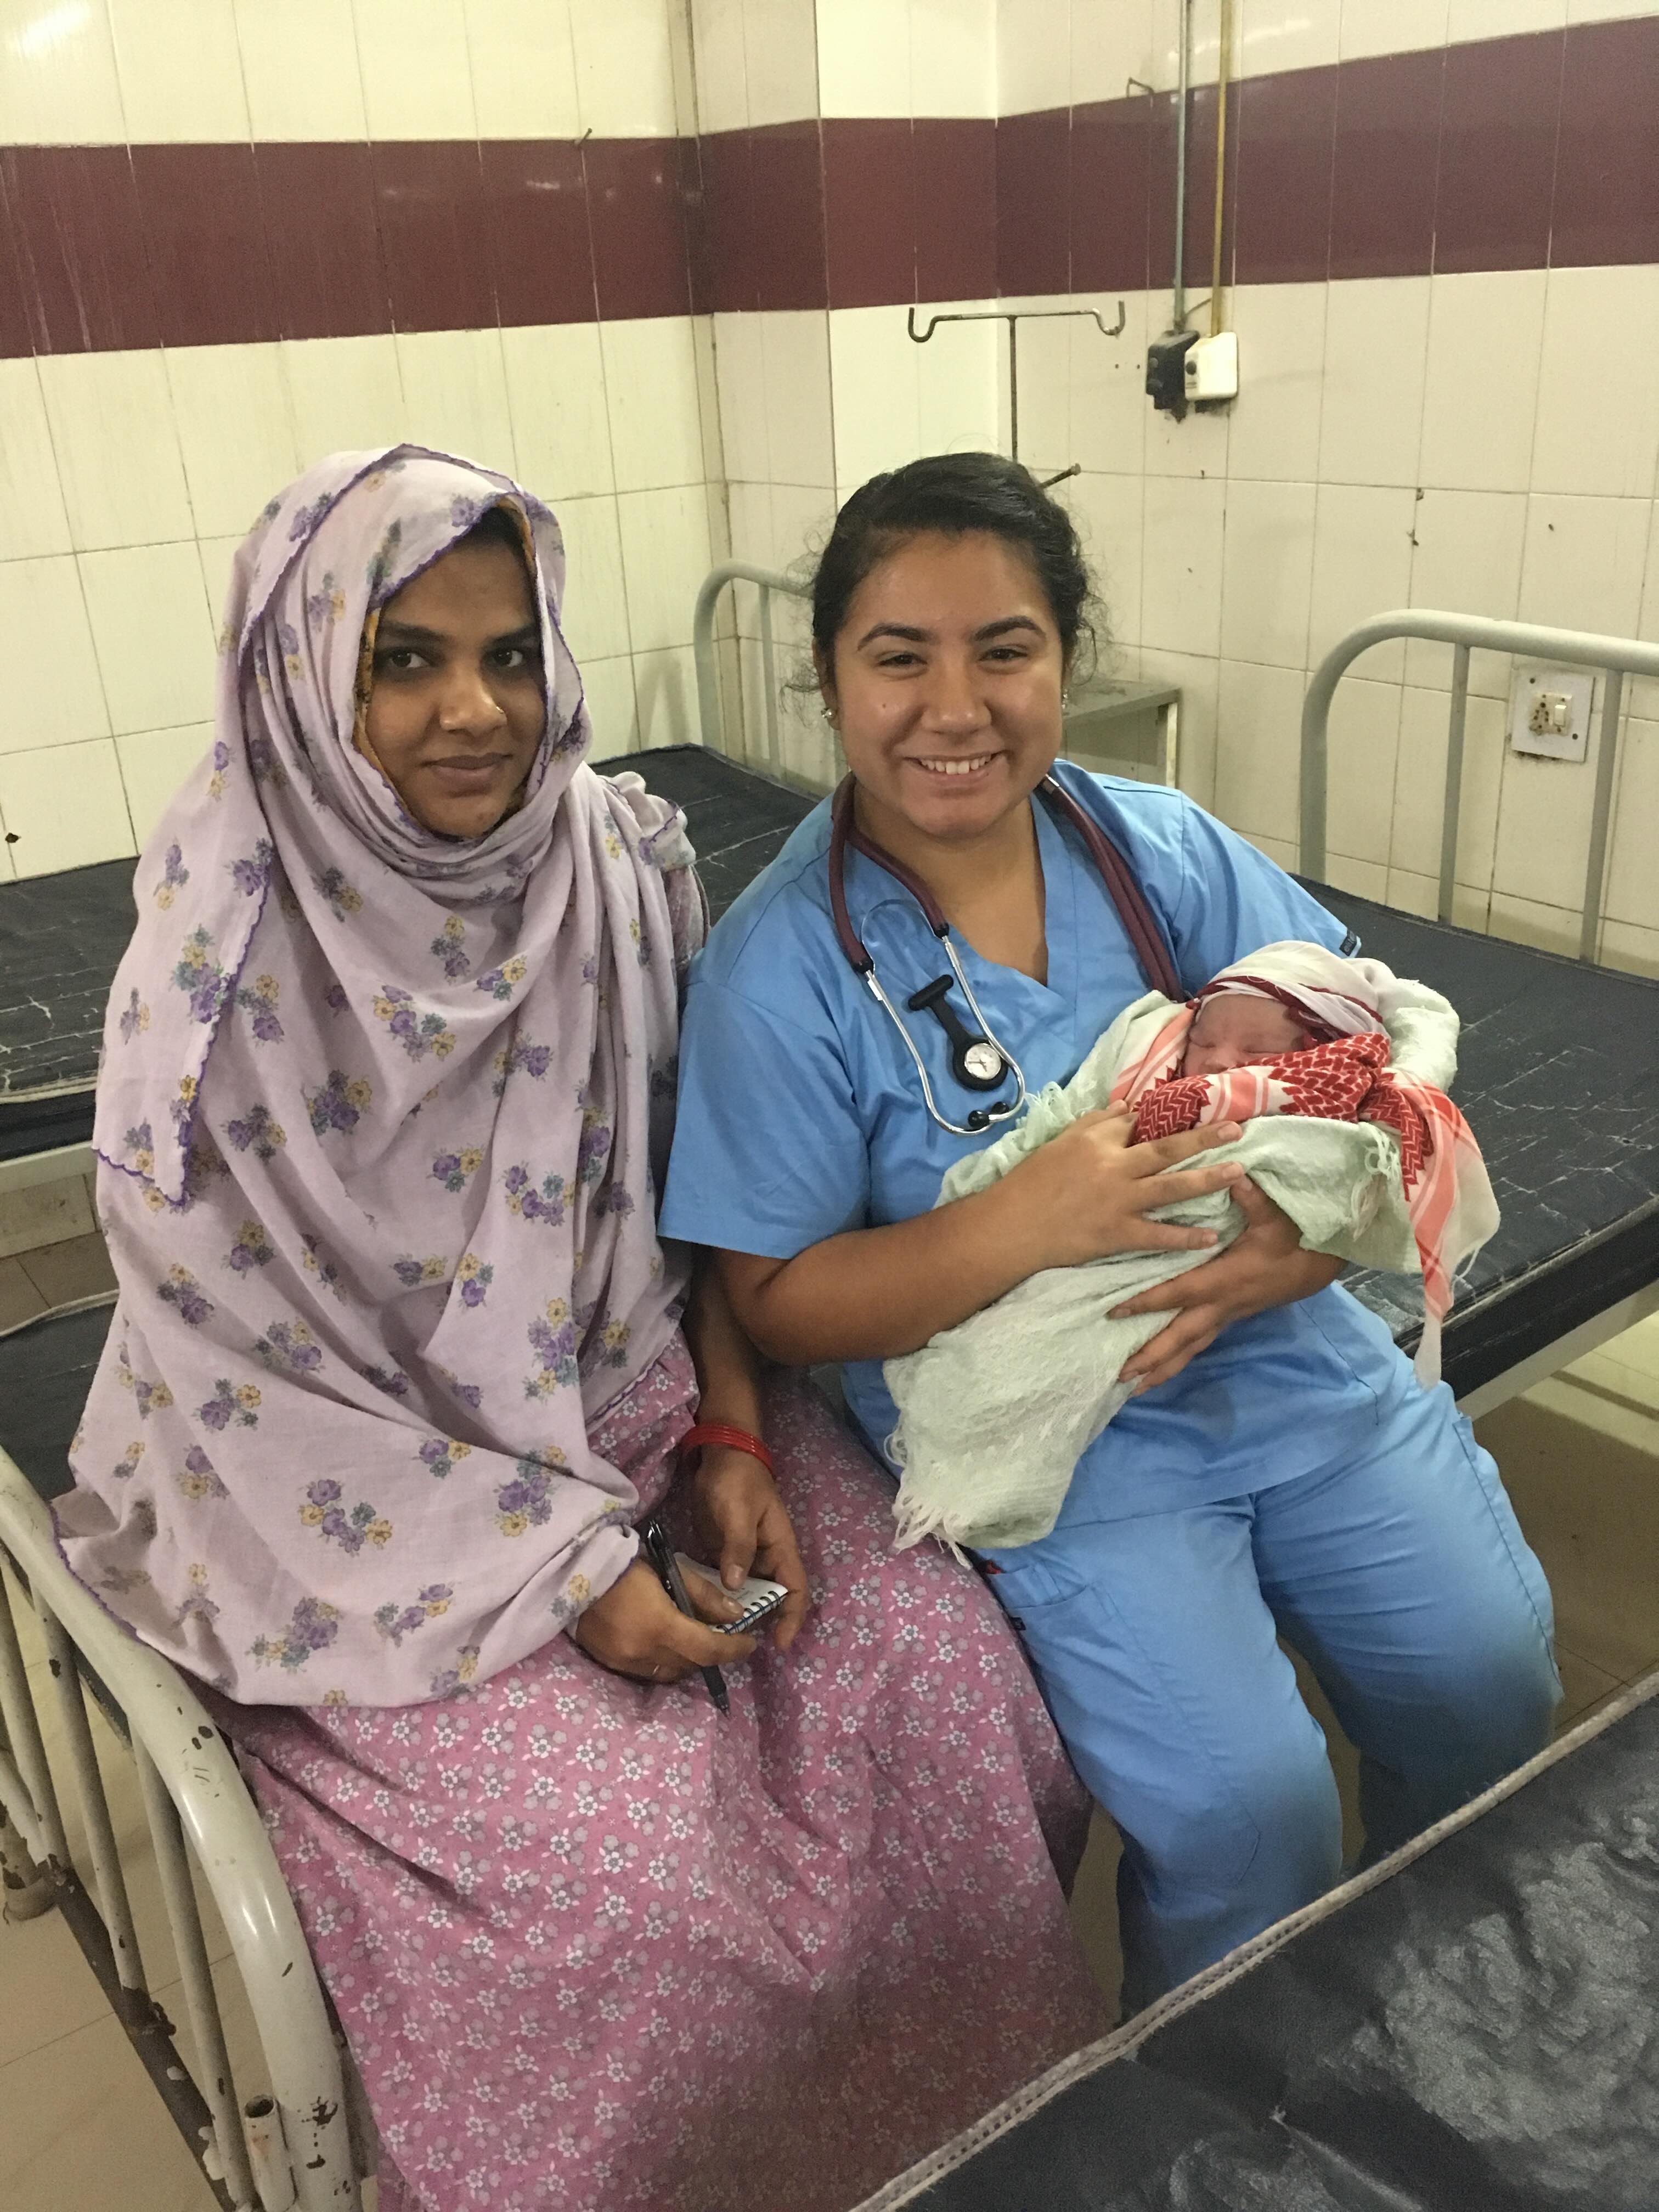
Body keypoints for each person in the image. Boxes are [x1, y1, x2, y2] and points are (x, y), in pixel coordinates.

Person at [55, 447, 1105, 2212]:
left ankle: (966, 2164)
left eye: (510, 654)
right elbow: (241, 1378)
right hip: (350, 1492)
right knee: (634, 1903)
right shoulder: (217, 978)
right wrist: (559, 1580)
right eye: (404, 660)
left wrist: (731, 1430)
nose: (474, 711)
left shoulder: (614, 870)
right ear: (307, 672)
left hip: (634, 1395)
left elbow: (697, 1205)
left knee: (964, 1704)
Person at [660, 452, 1561, 2015]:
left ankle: (1437, 2032)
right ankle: (1223, 2127)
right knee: (1247, 1809)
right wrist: (1029, 1215)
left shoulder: (1154, 850)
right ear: (826, 683)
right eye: (900, 656)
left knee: (1488, 1686)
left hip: (1291, 1360)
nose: (958, 706)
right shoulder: (780, 970)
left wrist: (1304, 1230)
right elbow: (780, 1299)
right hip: (1076, 1451)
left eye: (1004, 648)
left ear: (1066, 658)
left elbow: (1362, 1034)